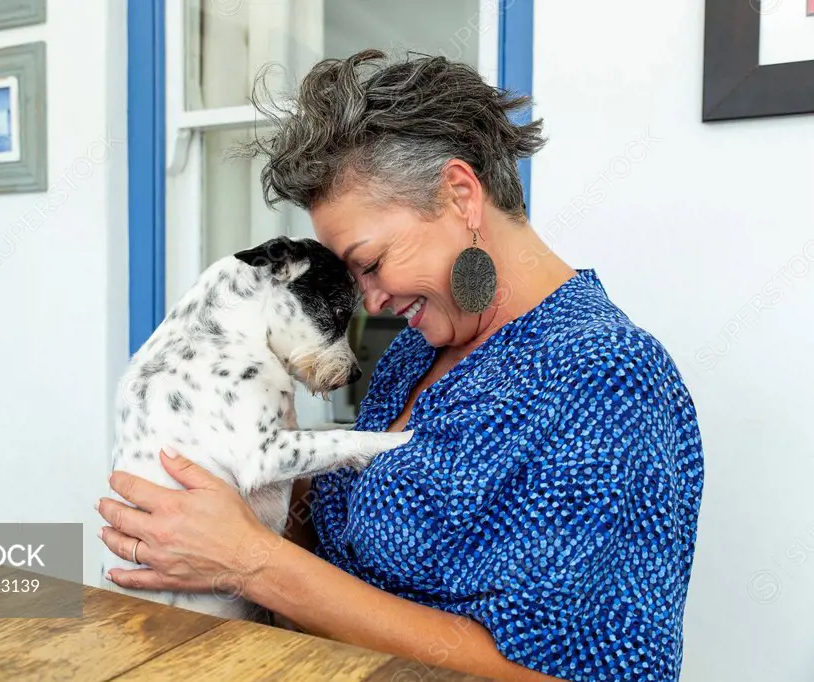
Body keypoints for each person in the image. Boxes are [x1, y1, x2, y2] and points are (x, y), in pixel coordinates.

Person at [96, 50, 704, 682]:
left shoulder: (605, 377)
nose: (368, 298)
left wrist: (248, 561)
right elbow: (333, 552)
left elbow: (571, 671)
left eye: (372, 260)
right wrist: (233, 459)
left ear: (460, 196)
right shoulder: (417, 352)